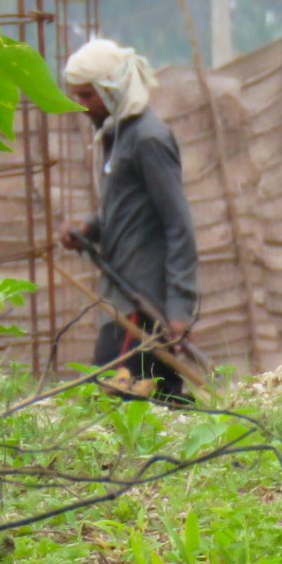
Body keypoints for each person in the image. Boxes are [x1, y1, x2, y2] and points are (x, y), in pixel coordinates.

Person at [58, 39, 199, 404]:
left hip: (143, 303)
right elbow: (127, 214)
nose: (80, 105)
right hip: (125, 295)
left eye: (86, 95)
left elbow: (178, 222)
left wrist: (179, 308)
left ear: (111, 90)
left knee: (115, 398)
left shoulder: (148, 139)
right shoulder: (118, 137)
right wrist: (90, 229)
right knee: (155, 402)